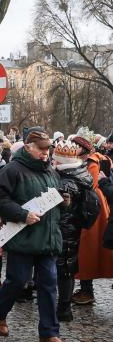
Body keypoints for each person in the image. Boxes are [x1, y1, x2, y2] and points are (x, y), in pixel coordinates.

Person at [0, 130, 70, 342]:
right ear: (28, 147)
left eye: (47, 149)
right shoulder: (12, 169)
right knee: (17, 280)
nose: (46, 153)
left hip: (48, 239)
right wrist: (21, 214)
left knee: (48, 286)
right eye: (41, 149)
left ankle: (49, 333)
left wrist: (64, 201)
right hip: (23, 237)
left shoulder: (50, 170)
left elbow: (53, 201)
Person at [52, 138, 100, 322]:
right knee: (68, 267)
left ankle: (63, 309)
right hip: (74, 228)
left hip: (63, 229)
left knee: (63, 268)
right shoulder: (82, 174)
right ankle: (64, 308)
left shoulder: (65, 182)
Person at [72, 128, 113, 305]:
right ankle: (85, 289)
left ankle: (87, 291)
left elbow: (92, 185)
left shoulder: (93, 162)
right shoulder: (101, 159)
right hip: (98, 207)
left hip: (92, 209)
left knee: (87, 251)